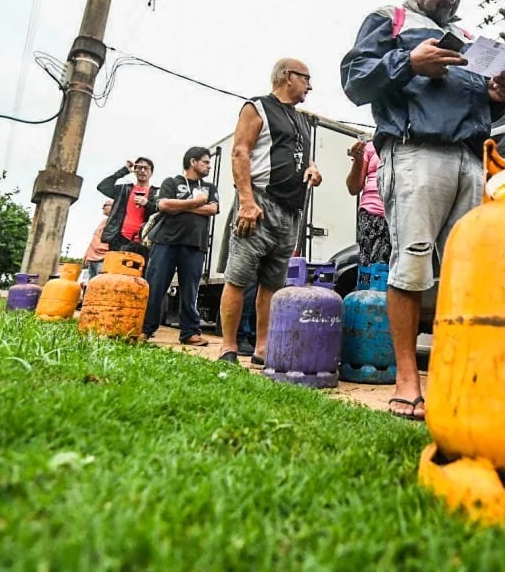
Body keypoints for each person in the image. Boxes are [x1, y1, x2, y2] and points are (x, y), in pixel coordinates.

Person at [340, 0, 505, 420]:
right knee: (412, 264)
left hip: (469, 157)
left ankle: (454, 378)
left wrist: (496, 95)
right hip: (415, 151)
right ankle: (406, 381)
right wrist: (409, 63)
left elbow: (478, 105)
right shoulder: (390, 19)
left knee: (466, 272)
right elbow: (354, 81)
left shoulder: (468, 37)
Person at [217, 58, 323, 365]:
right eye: (306, 78)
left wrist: (313, 169)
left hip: (291, 210)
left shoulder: (301, 119)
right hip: (260, 203)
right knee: (238, 277)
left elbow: (302, 157)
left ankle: (262, 349)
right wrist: (247, 202)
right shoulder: (257, 107)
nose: (310, 86)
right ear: (288, 77)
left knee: (273, 283)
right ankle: (228, 347)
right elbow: (240, 152)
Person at [140, 147, 220, 345]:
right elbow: (163, 205)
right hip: (165, 242)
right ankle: (144, 329)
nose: (209, 166)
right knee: (155, 287)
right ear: (193, 162)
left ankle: (189, 332)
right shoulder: (171, 182)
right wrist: (196, 203)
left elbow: (212, 209)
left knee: (190, 291)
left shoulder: (209, 187)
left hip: (195, 244)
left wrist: (179, 206)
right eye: (205, 162)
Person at [346, 139, 391, 266]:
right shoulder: (370, 146)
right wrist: (358, 159)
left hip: (400, 215)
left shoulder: (409, 143)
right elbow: (353, 188)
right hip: (371, 214)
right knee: (368, 265)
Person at [97, 157, 158, 252]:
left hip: (143, 241)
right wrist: (124, 170)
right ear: (135, 171)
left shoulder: (156, 193)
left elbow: (160, 211)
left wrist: (147, 204)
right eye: (139, 168)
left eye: (146, 168)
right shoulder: (124, 189)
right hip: (119, 238)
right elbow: (103, 187)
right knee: (115, 261)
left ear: (151, 173)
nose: (142, 171)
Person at [82, 199, 113, 280]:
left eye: (105, 205)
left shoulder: (116, 222)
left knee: (99, 283)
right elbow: (95, 239)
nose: (103, 207)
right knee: (90, 283)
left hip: (103, 258)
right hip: (92, 258)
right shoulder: (103, 221)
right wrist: (87, 255)